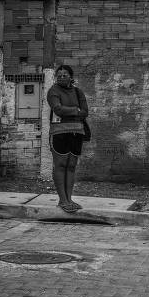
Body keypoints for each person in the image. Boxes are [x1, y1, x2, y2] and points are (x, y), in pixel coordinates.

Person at [46, 65, 89, 213]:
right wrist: (75, 110)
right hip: (59, 133)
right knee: (60, 165)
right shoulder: (53, 91)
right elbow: (57, 109)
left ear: (71, 77)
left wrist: (72, 112)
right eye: (59, 75)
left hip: (77, 132)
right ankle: (62, 200)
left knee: (71, 166)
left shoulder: (78, 92)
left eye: (65, 75)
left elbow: (85, 112)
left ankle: (69, 199)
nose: (61, 77)